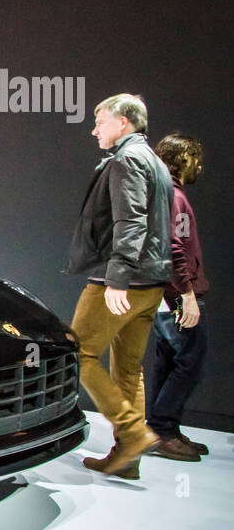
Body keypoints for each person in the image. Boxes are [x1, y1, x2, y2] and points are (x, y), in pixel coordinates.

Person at [66, 94, 173, 479]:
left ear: (124, 123)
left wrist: (117, 278)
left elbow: (131, 223)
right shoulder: (155, 162)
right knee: (129, 371)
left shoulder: (127, 160)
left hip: (123, 282)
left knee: (80, 354)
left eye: (101, 122)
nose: (95, 129)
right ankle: (127, 461)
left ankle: (131, 435)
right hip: (152, 283)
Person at [146, 133, 209, 461]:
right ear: (181, 159)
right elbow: (173, 248)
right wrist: (186, 295)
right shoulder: (173, 196)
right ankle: (163, 429)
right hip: (175, 296)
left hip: (164, 295)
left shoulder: (165, 194)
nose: (199, 164)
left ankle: (163, 429)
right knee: (190, 360)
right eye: (194, 158)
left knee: (169, 361)